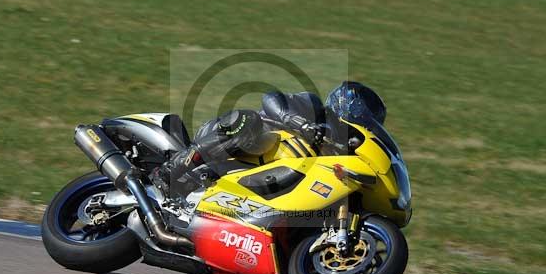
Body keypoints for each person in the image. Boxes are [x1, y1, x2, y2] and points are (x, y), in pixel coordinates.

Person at [153, 82, 386, 199]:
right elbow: (271, 98)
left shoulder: (340, 147)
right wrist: (297, 122)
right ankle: (171, 170)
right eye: (364, 113)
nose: (365, 121)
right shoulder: (314, 107)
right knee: (251, 122)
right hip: (233, 138)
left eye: (371, 120)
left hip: (252, 174)